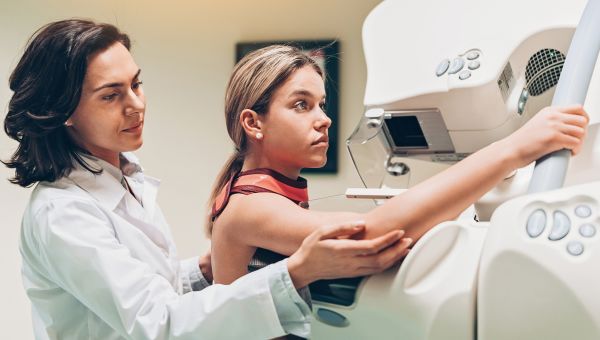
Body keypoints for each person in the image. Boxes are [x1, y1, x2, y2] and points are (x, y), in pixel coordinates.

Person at [2, 19, 411, 339]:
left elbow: (145, 288)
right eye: (111, 95)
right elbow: (158, 322)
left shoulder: (123, 179)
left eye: (137, 84)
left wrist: (202, 269)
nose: (136, 105)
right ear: (64, 110)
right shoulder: (63, 214)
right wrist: (295, 273)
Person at [207, 45, 589, 288]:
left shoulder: (265, 196)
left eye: (322, 104)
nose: (324, 119)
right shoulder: (249, 206)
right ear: (253, 123)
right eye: (301, 105)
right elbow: (370, 234)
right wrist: (512, 149)